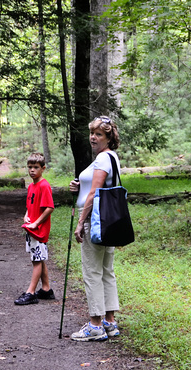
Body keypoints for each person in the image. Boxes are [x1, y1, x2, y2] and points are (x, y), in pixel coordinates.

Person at [69, 116, 121, 341]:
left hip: (95, 221)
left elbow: (95, 193)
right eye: (92, 133)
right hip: (109, 221)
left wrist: (81, 222)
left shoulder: (102, 158)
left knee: (92, 272)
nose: (93, 137)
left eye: (99, 134)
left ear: (108, 137)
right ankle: (109, 322)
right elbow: (95, 186)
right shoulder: (111, 157)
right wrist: (79, 186)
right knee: (106, 271)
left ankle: (95, 325)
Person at [14, 153, 56, 305]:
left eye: (36, 167)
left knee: (36, 260)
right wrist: (26, 216)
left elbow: (49, 208)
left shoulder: (44, 185)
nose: (32, 170)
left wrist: (36, 223)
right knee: (39, 258)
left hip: (38, 231)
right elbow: (30, 205)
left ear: (43, 168)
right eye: (30, 167)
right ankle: (46, 289)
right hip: (31, 229)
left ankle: (30, 292)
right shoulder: (31, 186)